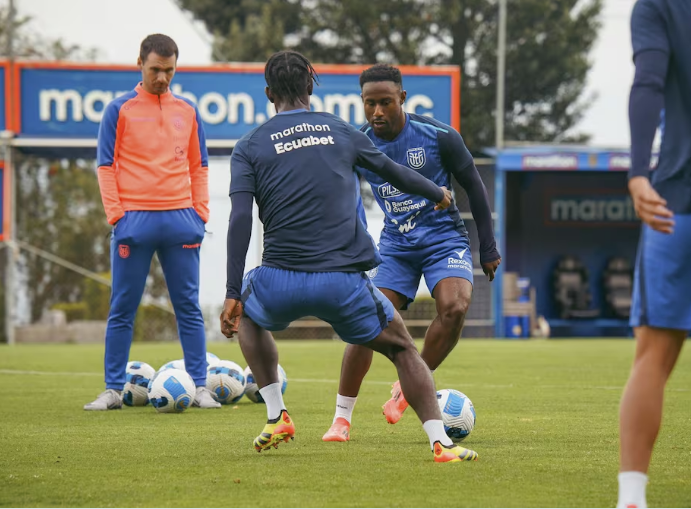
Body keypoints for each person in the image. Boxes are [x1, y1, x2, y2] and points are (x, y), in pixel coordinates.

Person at [220, 50, 478, 463]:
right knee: (403, 350)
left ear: (269, 94)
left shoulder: (248, 145)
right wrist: (438, 192)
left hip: (279, 280)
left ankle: (276, 415)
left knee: (247, 312)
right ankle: (440, 443)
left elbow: (238, 220)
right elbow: (395, 171)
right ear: (310, 87)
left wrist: (234, 291)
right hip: (343, 284)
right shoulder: (339, 130)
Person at [322, 64, 500, 442]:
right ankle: (341, 418)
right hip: (395, 246)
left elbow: (475, 186)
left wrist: (488, 245)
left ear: (402, 98)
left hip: (443, 240)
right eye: (370, 104)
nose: (378, 112)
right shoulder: (360, 141)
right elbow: (336, 193)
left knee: (455, 308)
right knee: (364, 320)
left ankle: (407, 389)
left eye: (386, 102)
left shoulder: (439, 136)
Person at [85, 34, 220, 410]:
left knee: (188, 307)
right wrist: (117, 215)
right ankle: (113, 389)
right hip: (134, 222)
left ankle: (199, 387)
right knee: (122, 307)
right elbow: (105, 166)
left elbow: (200, 166)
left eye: (169, 70)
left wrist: (200, 213)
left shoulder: (188, 110)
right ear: (140, 64)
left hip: (182, 221)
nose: (162, 77)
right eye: (155, 69)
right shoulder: (119, 109)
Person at [619, 1, 691, 507]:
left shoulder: (658, 6)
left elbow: (647, 82)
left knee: (654, 355)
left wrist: (639, 170)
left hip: (677, 202)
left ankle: (632, 498)